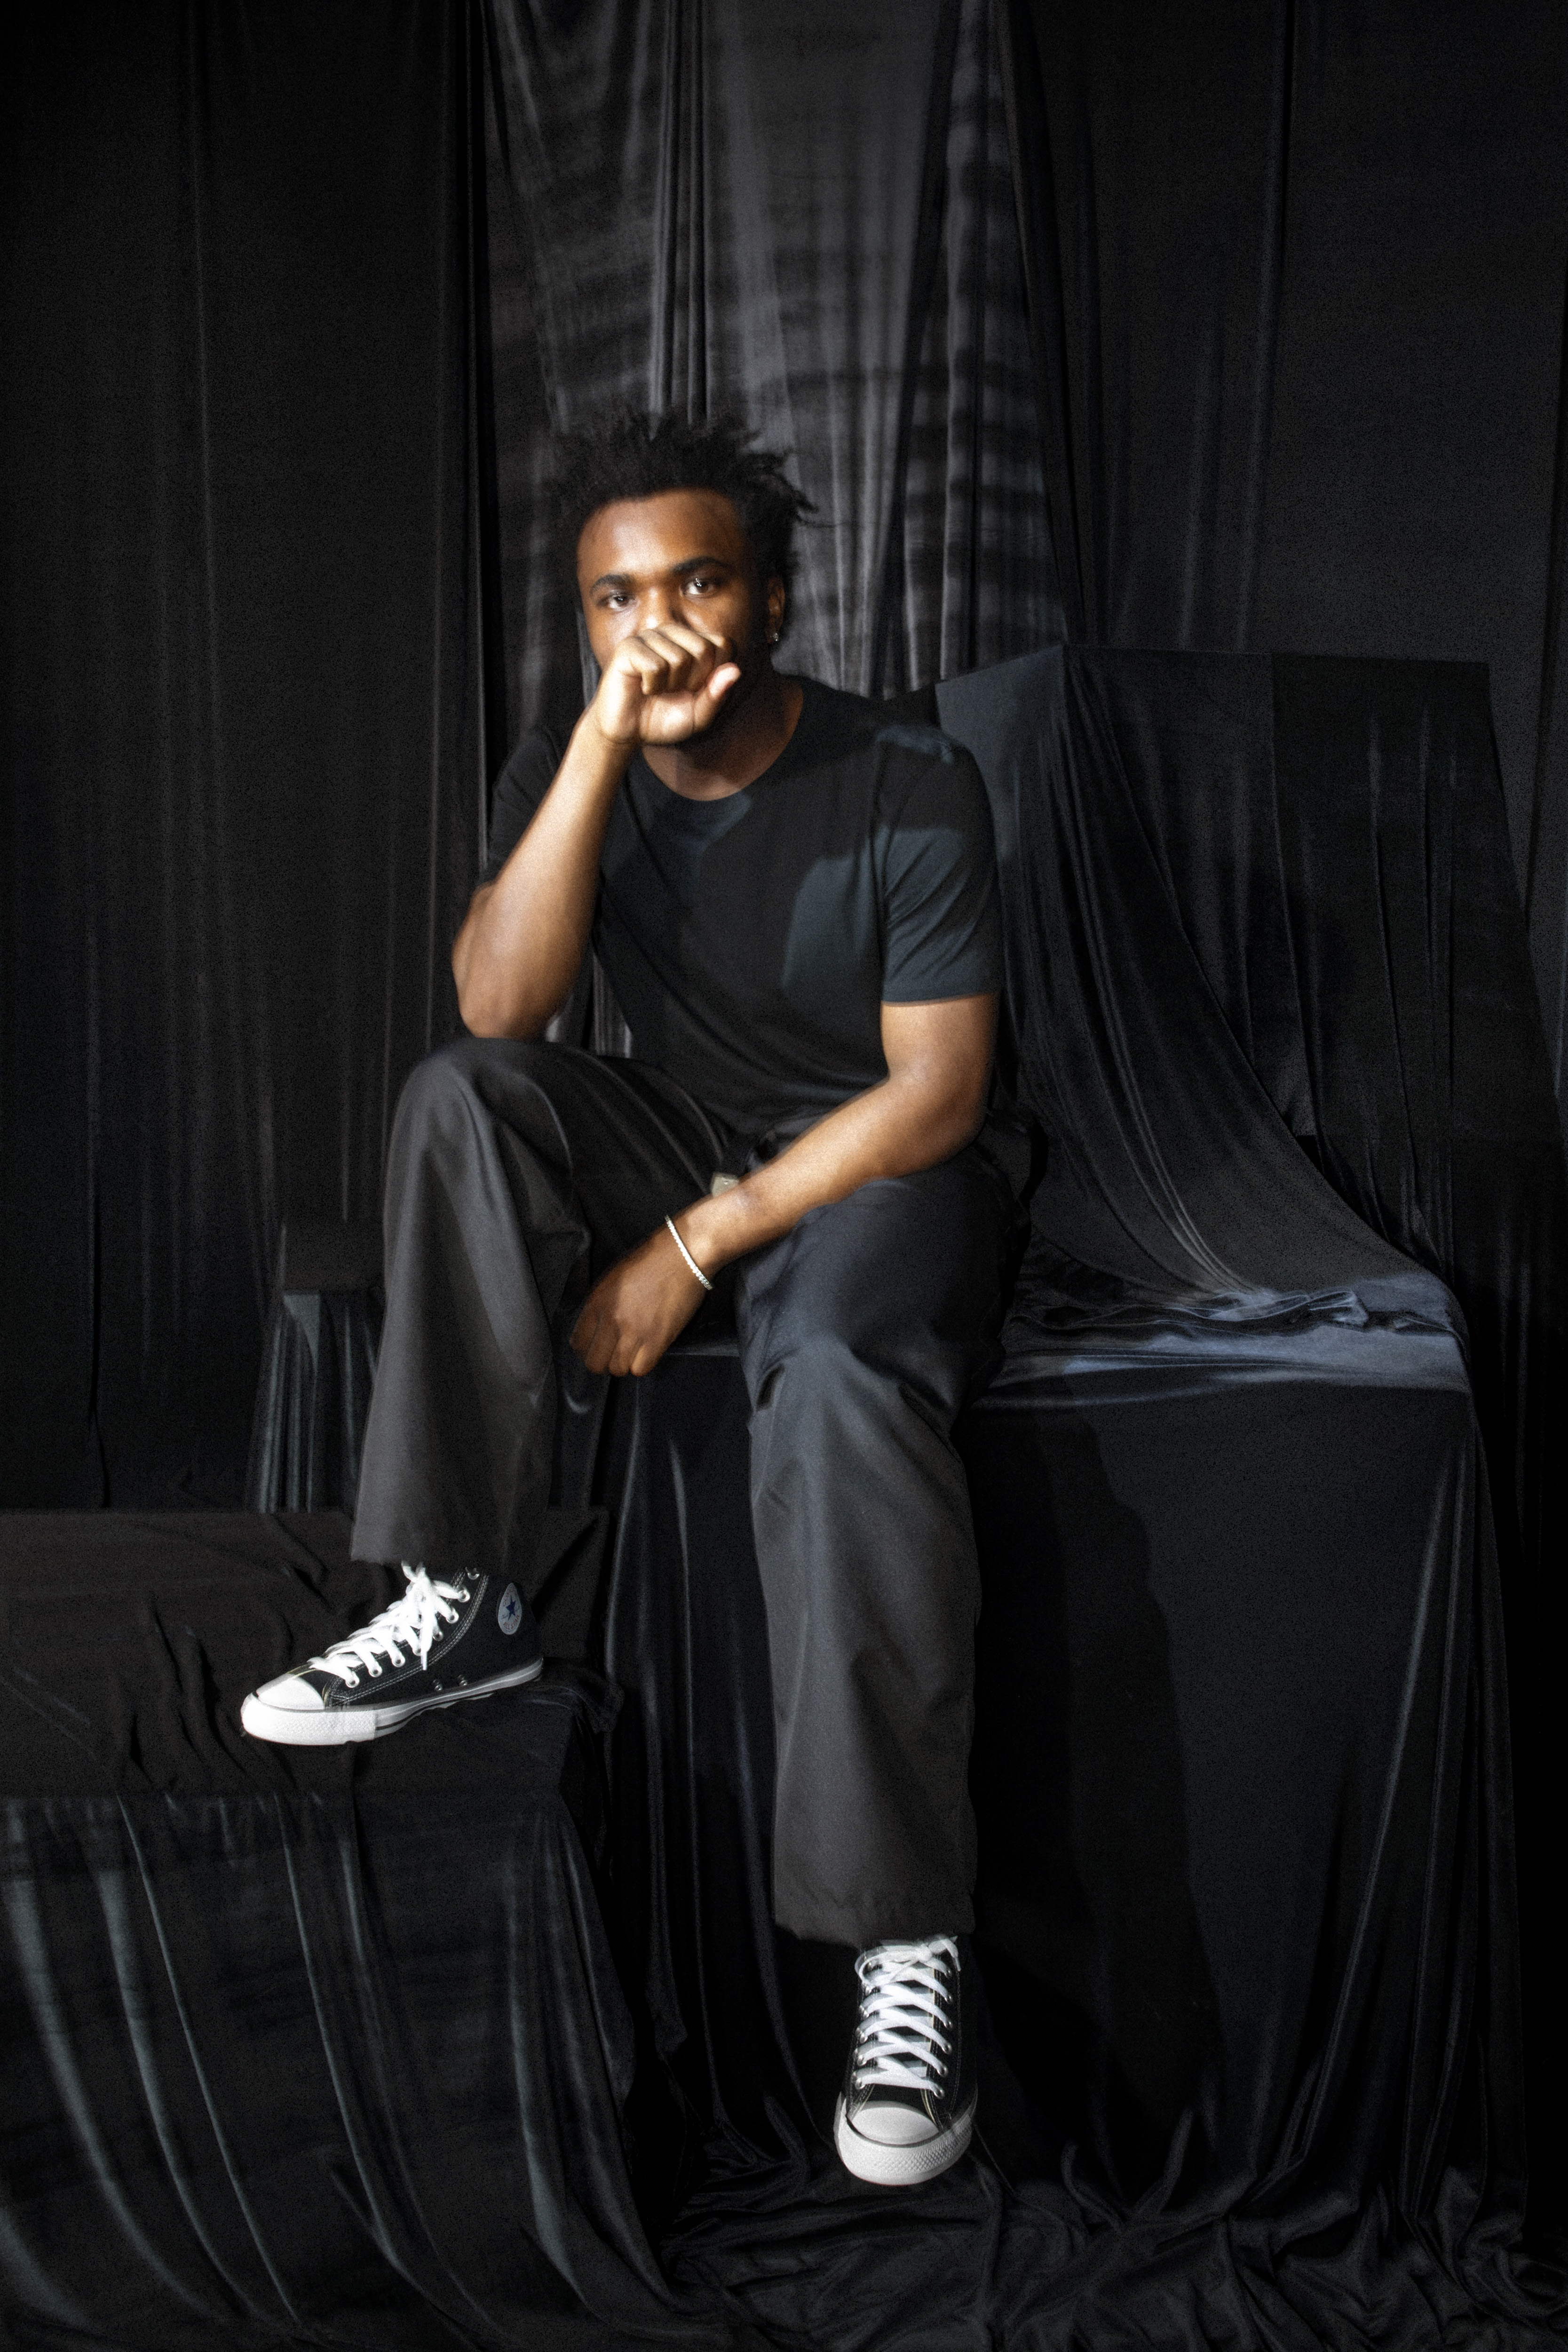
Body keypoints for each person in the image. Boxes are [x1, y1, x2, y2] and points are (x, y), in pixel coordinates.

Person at [242, 412, 1024, 2188]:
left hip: (878, 1165)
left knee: (838, 1374)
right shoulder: (574, 754)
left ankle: (905, 1941)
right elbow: (502, 1011)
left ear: (771, 601)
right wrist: (599, 744)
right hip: (687, 1124)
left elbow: (940, 1093)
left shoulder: (910, 778)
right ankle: (461, 1596)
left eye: (698, 584)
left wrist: (692, 1247)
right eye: (616, 599)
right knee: (462, 1098)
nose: (656, 625)